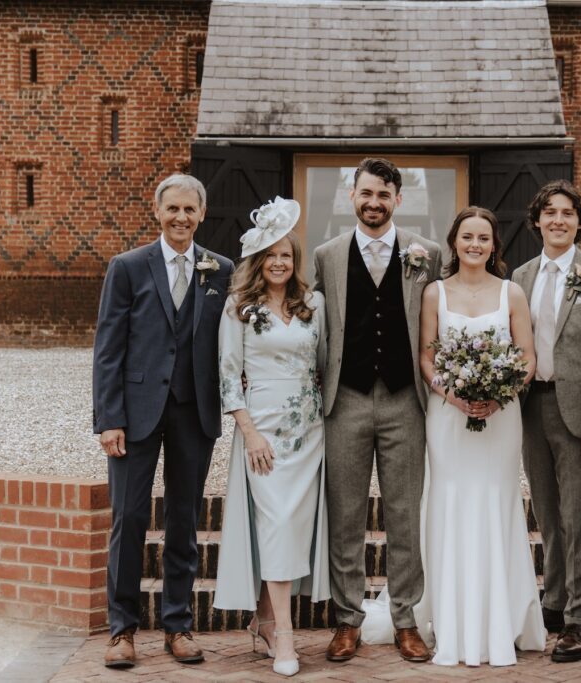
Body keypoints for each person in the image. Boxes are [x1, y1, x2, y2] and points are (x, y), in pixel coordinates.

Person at [92, 173, 233, 669]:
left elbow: (229, 342)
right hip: (135, 412)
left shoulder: (220, 269)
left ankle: (178, 625)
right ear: (157, 211)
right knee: (128, 517)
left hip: (194, 409)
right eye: (172, 208)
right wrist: (109, 419)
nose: (181, 217)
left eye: (189, 210)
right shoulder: (128, 267)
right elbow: (108, 348)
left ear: (202, 214)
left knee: (183, 519)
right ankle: (122, 629)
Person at [313, 157, 442, 663]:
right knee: (345, 514)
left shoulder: (426, 254)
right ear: (352, 195)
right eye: (366, 193)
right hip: (344, 399)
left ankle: (406, 619)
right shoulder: (326, 255)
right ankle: (348, 620)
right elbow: (313, 326)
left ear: (398, 199)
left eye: (384, 195)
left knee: (404, 513)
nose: (374, 203)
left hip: (405, 399)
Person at [418, 207, 546, 666]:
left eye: (484, 238)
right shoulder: (435, 293)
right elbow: (426, 357)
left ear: (494, 246)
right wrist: (452, 395)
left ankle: (501, 619)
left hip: (501, 417)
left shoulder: (512, 292)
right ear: (454, 242)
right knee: (450, 502)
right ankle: (450, 620)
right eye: (468, 236)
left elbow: (527, 357)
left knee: (496, 501)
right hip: (448, 419)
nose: (475, 245)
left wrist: (501, 393)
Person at [214, 197, 329, 678]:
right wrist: (249, 433)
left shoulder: (313, 306)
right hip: (262, 434)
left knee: (288, 530)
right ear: (258, 260)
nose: (279, 262)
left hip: (309, 433)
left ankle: (264, 620)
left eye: (286, 255)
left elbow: (323, 367)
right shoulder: (239, 308)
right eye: (271, 255)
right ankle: (284, 634)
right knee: (278, 524)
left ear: (295, 260)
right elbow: (228, 375)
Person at [510, 180, 581, 663]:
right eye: (550, 212)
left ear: (579, 222)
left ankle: (579, 618)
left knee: (578, 518)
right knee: (547, 513)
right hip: (530, 408)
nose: (558, 220)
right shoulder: (520, 276)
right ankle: (553, 602)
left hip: (578, 413)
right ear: (537, 220)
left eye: (568, 213)